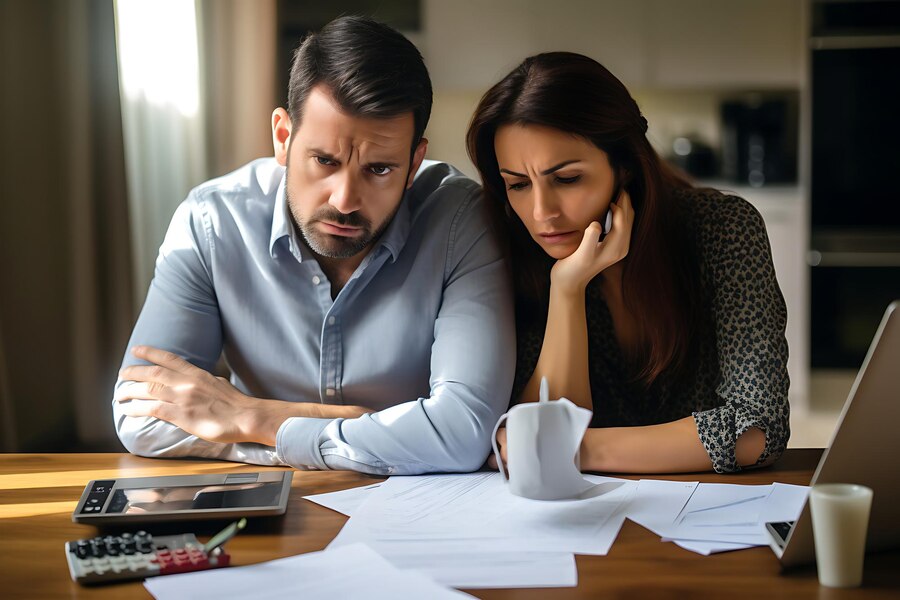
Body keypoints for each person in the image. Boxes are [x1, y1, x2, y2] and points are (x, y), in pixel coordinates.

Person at [112, 16, 515, 476]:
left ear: (415, 160)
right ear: (283, 138)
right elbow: (138, 415)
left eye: (380, 169)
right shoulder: (212, 223)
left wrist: (252, 418)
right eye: (325, 160)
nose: (345, 199)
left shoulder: (462, 221)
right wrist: (368, 430)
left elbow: (462, 434)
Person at [467, 52, 789, 474]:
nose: (542, 212)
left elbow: (756, 428)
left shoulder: (723, 230)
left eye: (566, 179)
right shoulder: (508, 248)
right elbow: (539, 434)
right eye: (518, 184)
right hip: (584, 521)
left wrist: (579, 450)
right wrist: (568, 289)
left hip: (706, 511)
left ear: (623, 167)